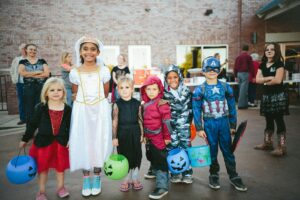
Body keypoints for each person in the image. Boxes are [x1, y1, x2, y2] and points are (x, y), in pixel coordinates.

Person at [192, 56, 247, 192]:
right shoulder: (200, 90)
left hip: (223, 122)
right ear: (203, 71)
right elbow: (196, 109)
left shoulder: (225, 87)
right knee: (212, 151)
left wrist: (233, 125)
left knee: (228, 150)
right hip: (209, 124)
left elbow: (232, 106)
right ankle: (214, 174)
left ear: (220, 70)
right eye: (208, 69)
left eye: (215, 68)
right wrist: (199, 127)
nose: (212, 71)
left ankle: (233, 175)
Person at [69, 36, 112, 197]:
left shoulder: (104, 71)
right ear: (80, 52)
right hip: (82, 110)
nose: (89, 52)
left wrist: (98, 104)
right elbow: (75, 92)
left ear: (98, 52)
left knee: (98, 141)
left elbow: (106, 91)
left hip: (99, 110)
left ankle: (97, 176)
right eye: (85, 49)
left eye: (92, 49)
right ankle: (86, 178)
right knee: (84, 141)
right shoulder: (75, 72)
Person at [19, 77, 72, 200]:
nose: (56, 92)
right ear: (46, 92)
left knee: (60, 168)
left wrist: (70, 139)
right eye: (52, 90)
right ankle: (41, 191)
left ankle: (61, 187)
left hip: (61, 143)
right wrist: (25, 139)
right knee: (43, 168)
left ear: (63, 92)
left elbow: (70, 127)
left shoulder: (67, 109)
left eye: (59, 90)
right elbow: (32, 124)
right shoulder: (41, 107)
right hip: (43, 144)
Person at [254, 43, 289, 156]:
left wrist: (263, 81)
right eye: (267, 49)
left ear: (276, 51)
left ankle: (281, 146)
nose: (269, 51)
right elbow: (257, 80)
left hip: (278, 96)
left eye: (272, 49)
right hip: (266, 97)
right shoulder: (262, 65)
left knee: (279, 120)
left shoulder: (279, 64)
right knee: (268, 120)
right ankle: (268, 143)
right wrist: (268, 78)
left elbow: (278, 80)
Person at [140, 76, 171, 199]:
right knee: (152, 156)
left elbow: (167, 122)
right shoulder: (145, 104)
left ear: (159, 90)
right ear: (144, 90)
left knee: (160, 161)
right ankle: (153, 171)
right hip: (150, 138)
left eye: (154, 89)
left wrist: (167, 137)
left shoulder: (162, 104)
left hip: (160, 138)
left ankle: (162, 186)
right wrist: (144, 136)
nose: (151, 92)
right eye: (149, 89)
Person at [163, 64, 193, 184]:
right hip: (171, 128)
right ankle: (175, 173)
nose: (172, 80)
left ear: (179, 77)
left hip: (184, 126)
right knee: (172, 148)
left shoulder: (186, 91)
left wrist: (168, 102)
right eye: (169, 78)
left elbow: (183, 106)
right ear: (166, 80)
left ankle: (187, 173)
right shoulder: (164, 93)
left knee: (186, 148)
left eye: (175, 77)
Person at [112, 76, 144, 192]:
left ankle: (134, 178)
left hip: (135, 132)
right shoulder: (117, 104)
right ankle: (126, 179)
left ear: (132, 89)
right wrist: (114, 137)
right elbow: (114, 121)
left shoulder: (137, 103)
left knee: (137, 155)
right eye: (121, 88)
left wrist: (142, 134)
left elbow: (140, 119)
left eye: (127, 87)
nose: (124, 90)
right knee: (124, 156)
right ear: (118, 90)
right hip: (122, 133)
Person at [18, 44, 50, 129]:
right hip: (28, 88)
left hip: (41, 88)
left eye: (34, 50)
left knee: (41, 108)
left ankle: (41, 130)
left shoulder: (42, 61)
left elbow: (46, 74)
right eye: (31, 49)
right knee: (29, 110)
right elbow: (22, 73)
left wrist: (30, 75)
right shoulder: (23, 62)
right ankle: (30, 131)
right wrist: (38, 72)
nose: (33, 51)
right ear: (26, 50)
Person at [10, 43, 27, 125]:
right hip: (19, 83)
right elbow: (12, 70)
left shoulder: (30, 59)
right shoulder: (17, 59)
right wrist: (14, 79)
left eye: (25, 48)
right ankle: (22, 118)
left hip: (28, 83)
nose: (24, 50)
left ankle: (30, 118)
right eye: (23, 48)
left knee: (29, 101)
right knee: (21, 101)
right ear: (20, 50)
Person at [234, 44, 254, 109]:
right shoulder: (248, 57)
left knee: (242, 89)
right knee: (243, 90)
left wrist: (235, 76)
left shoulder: (238, 57)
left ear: (242, 49)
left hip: (238, 73)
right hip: (245, 73)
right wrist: (253, 75)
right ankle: (241, 105)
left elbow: (235, 67)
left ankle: (245, 104)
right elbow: (251, 67)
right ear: (248, 49)